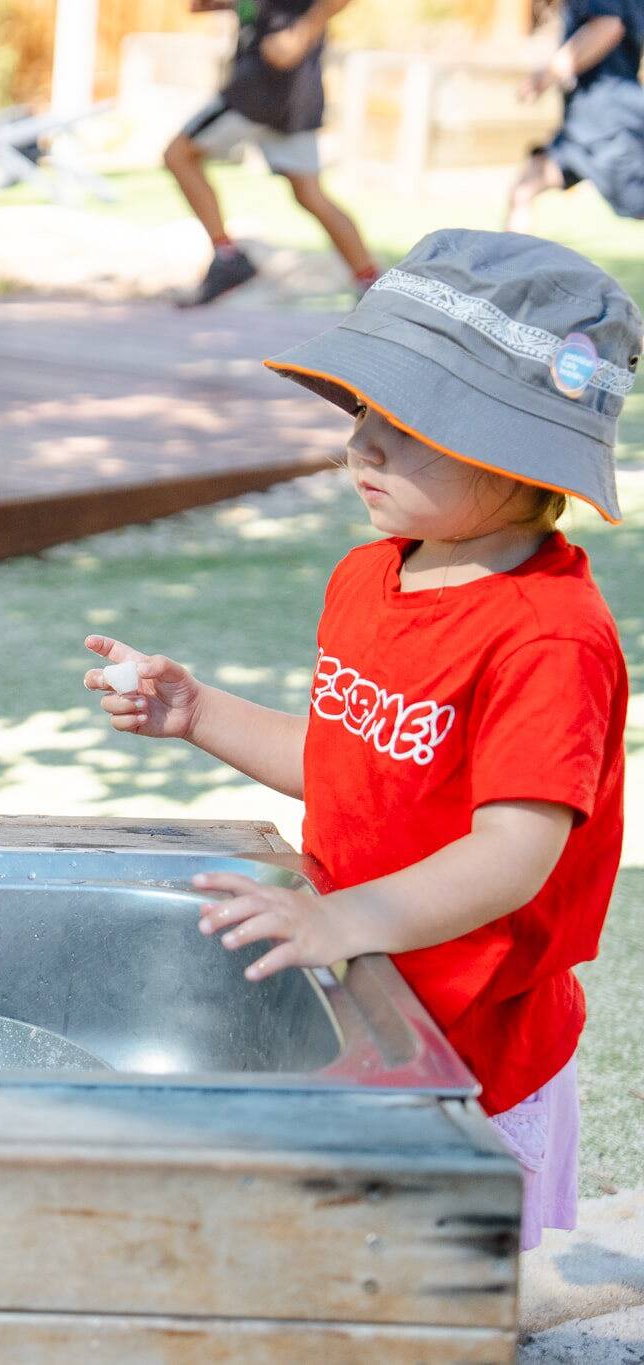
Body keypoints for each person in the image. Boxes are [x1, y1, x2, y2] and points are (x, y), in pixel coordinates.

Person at [85, 230, 634, 1249]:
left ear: (520, 450)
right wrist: (198, 713)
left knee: (465, 1301)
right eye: (358, 414)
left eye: (407, 424)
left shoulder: (548, 635)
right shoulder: (364, 577)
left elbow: (512, 856)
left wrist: (342, 922)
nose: (359, 447)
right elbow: (351, 770)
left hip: (479, 1058)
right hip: (370, 1003)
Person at [166, 0, 379, 305]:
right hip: (292, 98)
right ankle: (371, 280)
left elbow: (289, 44)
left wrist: (308, 26)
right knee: (309, 193)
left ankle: (228, 257)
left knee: (178, 155)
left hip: (260, 93)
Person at [508, 0, 644, 228]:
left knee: (637, 204)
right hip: (583, 124)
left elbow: (608, 26)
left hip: (608, 123)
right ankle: (508, 264)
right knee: (523, 189)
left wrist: (547, 75)